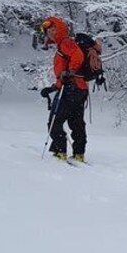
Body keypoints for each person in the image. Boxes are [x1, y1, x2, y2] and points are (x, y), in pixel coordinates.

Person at [38, 16, 89, 162]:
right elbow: (63, 75)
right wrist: (53, 88)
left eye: (53, 29)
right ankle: (79, 153)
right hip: (79, 88)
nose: (51, 33)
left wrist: (70, 72)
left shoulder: (65, 42)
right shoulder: (64, 44)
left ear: (59, 28)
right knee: (76, 122)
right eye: (48, 31)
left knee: (55, 120)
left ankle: (60, 151)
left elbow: (78, 56)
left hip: (71, 88)